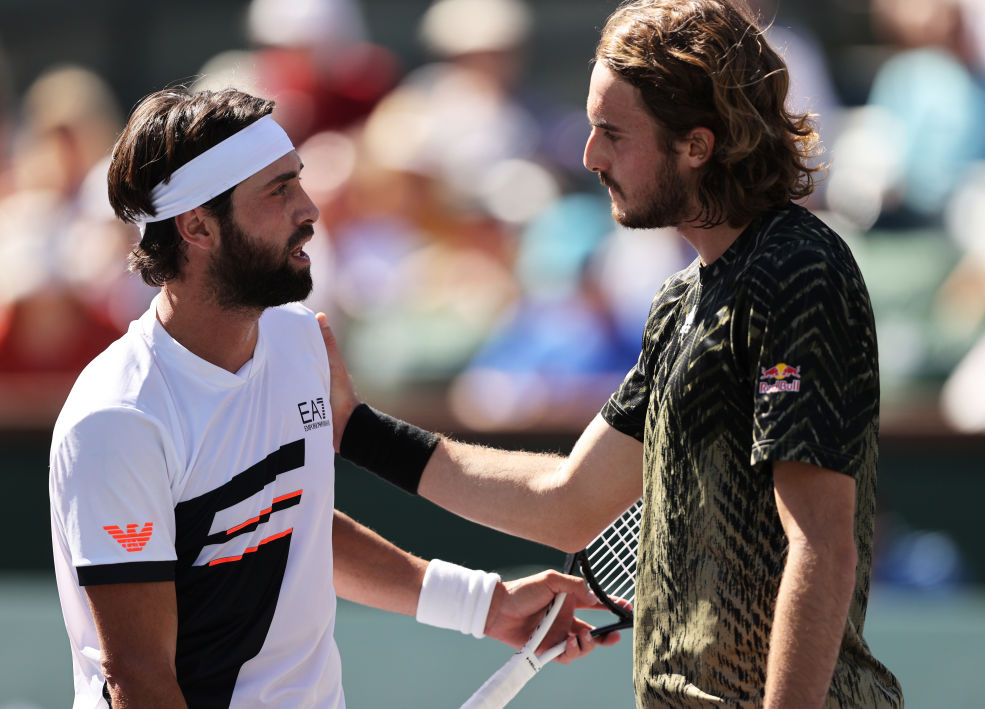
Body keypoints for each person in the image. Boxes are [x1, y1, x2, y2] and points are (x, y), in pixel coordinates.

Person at [320, 1, 904, 707]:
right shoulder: (678, 302)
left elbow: (820, 545)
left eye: (612, 133)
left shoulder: (796, 271)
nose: (590, 157)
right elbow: (567, 502)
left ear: (696, 145)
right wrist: (356, 429)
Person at [47, 86, 616, 709]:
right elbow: (139, 678)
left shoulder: (297, 340)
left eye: (298, 181)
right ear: (198, 227)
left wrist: (484, 606)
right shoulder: (117, 420)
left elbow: (291, 525)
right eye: (278, 191)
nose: (309, 208)